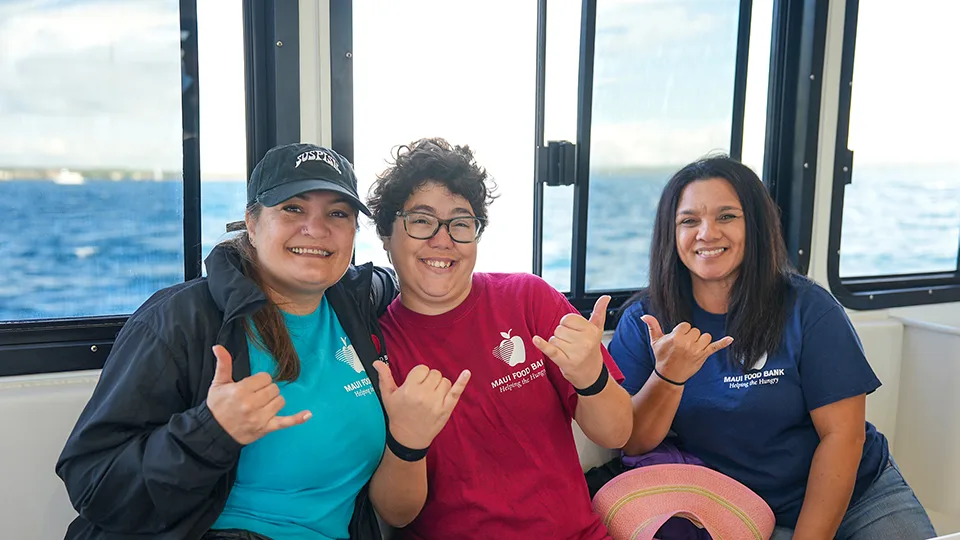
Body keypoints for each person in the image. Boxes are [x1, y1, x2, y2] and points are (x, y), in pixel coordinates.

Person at [56, 143, 467, 540]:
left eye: (337, 213)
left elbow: (416, 280)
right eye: (293, 208)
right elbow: (92, 484)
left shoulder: (358, 302)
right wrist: (209, 431)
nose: (317, 228)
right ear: (252, 223)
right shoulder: (181, 320)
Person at [608, 155, 937, 540]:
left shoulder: (809, 308)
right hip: (739, 508)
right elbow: (632, 440)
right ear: (671, 233)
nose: (707, 233)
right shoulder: (644, 321)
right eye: (689, 220)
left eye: (727, 216)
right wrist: (669, 377)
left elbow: (842, 437)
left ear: (756, 226)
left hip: (859, 498)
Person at [364, 137, 634, 539]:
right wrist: (408, 441)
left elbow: (616, 434)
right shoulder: (377, 348)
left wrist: (591, 376)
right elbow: (396, 514)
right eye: (421, 221)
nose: (443, 240)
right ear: (387, 236)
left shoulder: (529, 298)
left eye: (460, 223)